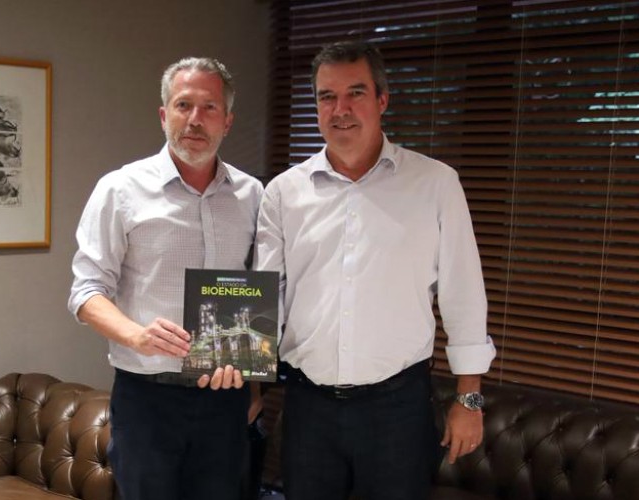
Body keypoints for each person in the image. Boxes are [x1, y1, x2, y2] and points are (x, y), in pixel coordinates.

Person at [254, 41, 496, 500]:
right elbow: (267, 298)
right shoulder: (283, 193)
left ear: (382, 99)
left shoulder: (435, 184)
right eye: (327, 96)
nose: (340, 109)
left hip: (396, 411)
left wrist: (469, 399)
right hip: (308, 409)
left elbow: (463, 295)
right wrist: (250, 386)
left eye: (356, 93)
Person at [68, 56, 264, 500]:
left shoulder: (252, 195)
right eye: (183, 105)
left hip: (226, 399)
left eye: (209, 107)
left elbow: (261, 287)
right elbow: (86, 291)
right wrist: (136, 336)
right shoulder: (120, 190)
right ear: (163, 115)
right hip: (148, 400)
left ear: (228, 121)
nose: (195, 119)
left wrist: (253, 383)